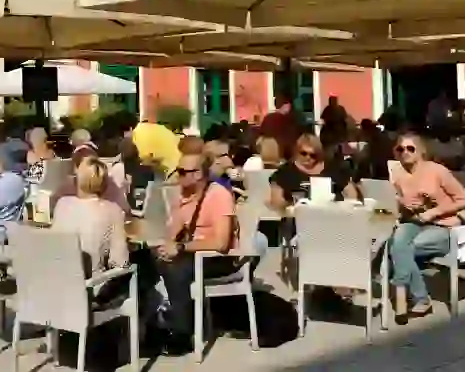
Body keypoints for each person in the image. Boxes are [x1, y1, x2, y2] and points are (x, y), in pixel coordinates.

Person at [150, 152, 239, 355]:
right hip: (194, 254)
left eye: (182, 172)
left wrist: (180, 248)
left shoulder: (219, 195)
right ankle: (147, 322)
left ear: (198, 174)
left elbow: (221, 242)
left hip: (220, 258)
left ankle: (183, 333)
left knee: (175, 268)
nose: (178, 177)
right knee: (147, 259)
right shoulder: (185, 194)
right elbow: (173, 231)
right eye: (177, 171)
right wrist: (166, 246)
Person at [389, 132, 465, 321]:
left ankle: (407, 295)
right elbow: (398, 202)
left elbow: (463, 200)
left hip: (443, 225)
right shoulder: (397, 173)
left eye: (410, 148)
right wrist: (402, 204)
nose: (405, 153)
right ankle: (419, 298)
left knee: (402, 249)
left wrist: (433, 212)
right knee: (398, 243)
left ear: (421, 151)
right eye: (401, 149)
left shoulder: (437, 171)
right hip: (412, 221)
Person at [53, 157, 129, 275]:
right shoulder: (113, 211)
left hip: (56, 280)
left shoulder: (62, 204)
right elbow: (120, 262)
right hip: (91, 286)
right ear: (105, 183)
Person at [269, 134, 359, 207]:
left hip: (332, 215)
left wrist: (347, 207)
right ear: (297, 151)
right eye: (304, 153)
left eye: (313, 155)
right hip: (297, 217)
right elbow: (276, 200)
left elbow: (351, 192)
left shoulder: (332, 168)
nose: (308, 158)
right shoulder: (285, 171)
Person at [258, 94, 301, 159]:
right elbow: (292, 139)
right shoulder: (287, 120)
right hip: (283, 154)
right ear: (287, 105)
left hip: (267, 154)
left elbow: (261, 136)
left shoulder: (268, 118)